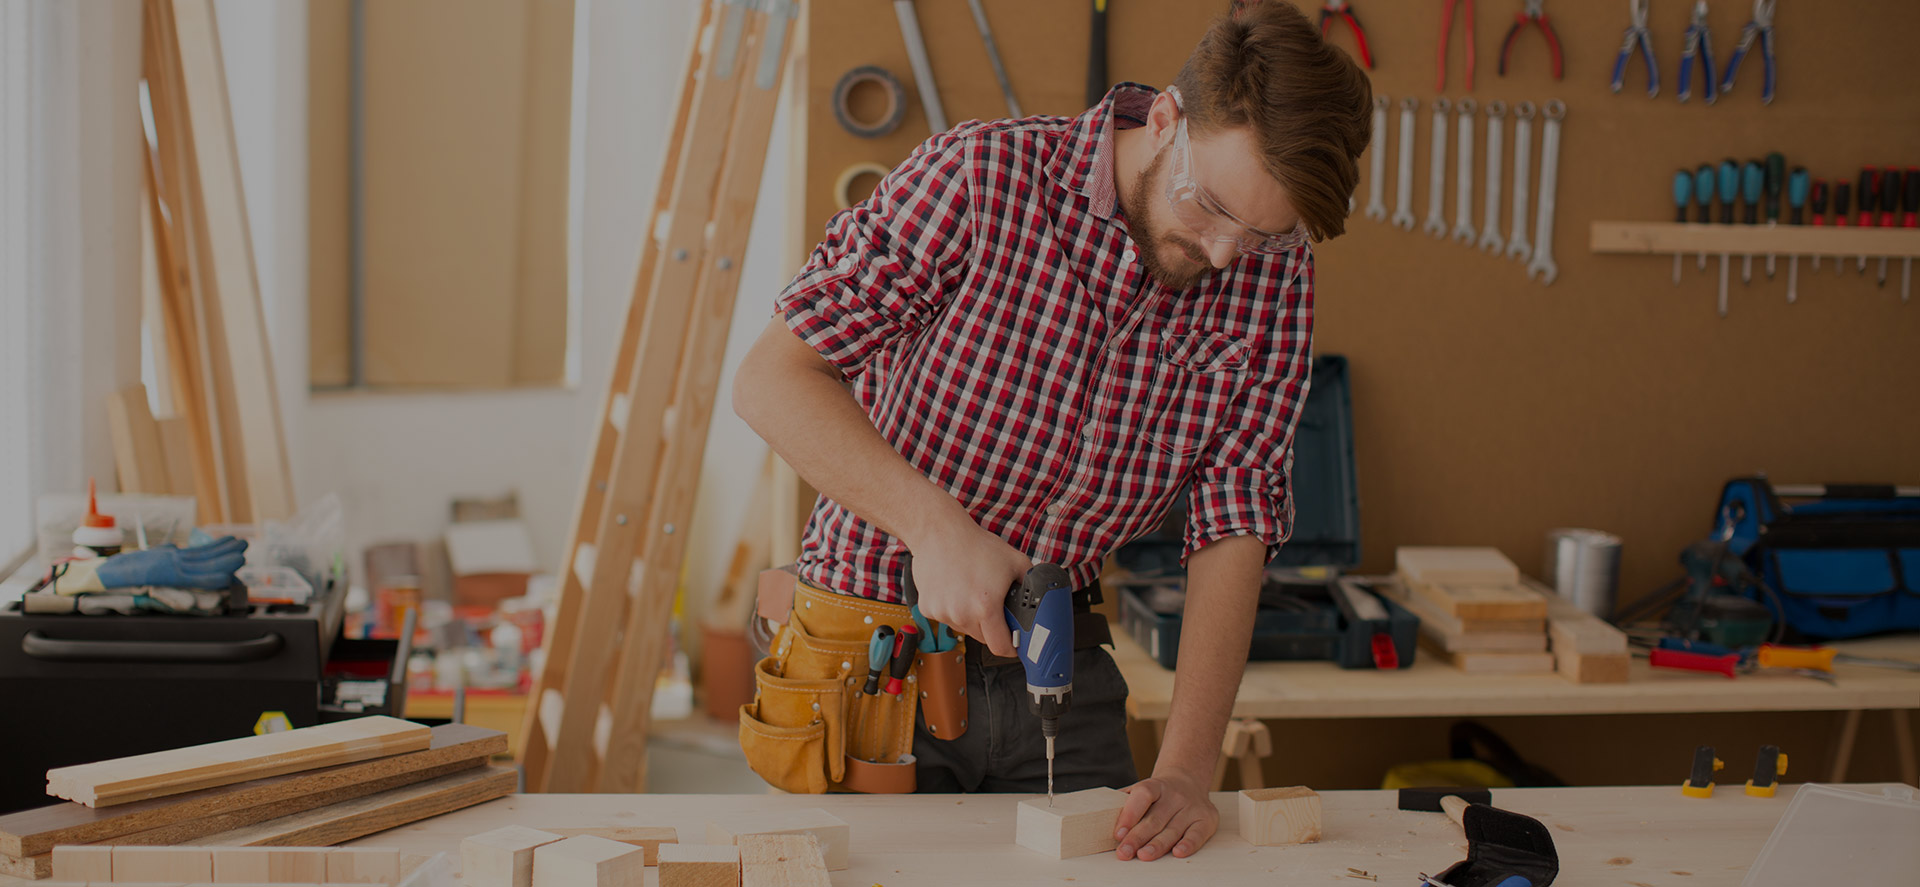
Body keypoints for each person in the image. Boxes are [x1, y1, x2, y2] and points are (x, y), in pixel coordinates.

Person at [733, 0, 1371, 862]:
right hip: (872, 653)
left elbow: (1236, 516)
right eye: (1211, 206)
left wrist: (1188, 770)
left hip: (1053, 656)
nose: (1225, 255)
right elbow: (771, 379)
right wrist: (934, 528)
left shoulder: (1274, 273)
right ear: (1167, 120)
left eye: (1262, 233)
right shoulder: (982, 176)